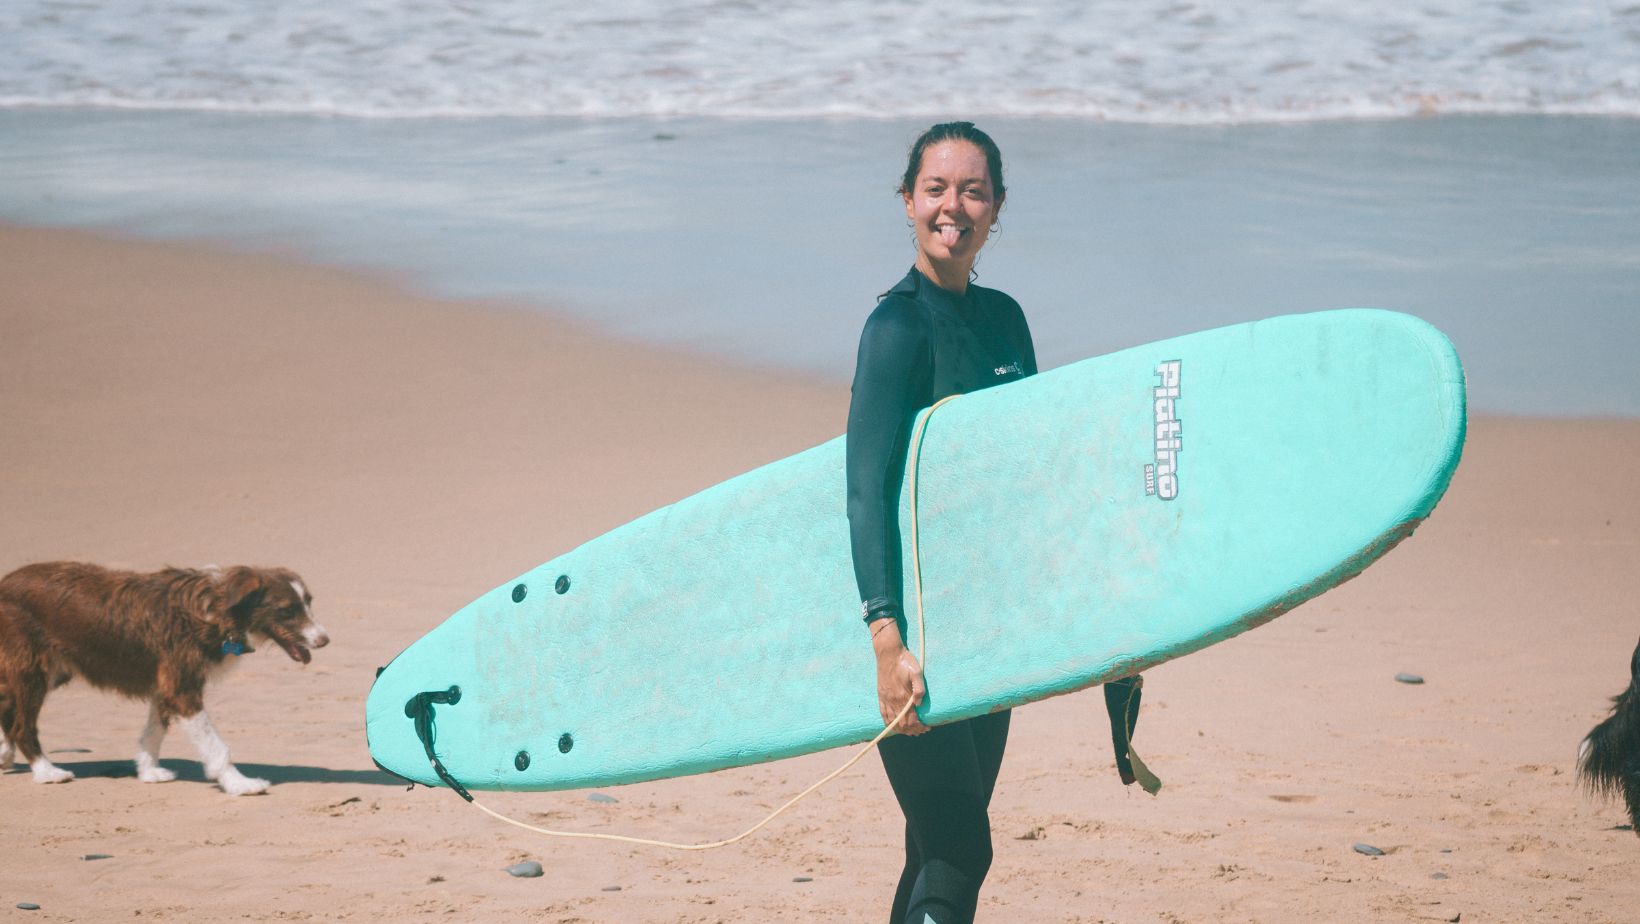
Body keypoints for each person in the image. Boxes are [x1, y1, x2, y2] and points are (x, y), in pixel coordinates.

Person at [846, 121, 1034, 924]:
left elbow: (1024, 480)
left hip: (986, 625)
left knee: (934, 845)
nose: (953, 206)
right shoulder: (895, 329)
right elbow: (864, 492)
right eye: (936, 189)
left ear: (996, 207)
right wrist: (887, 637)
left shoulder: (1006, 322)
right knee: (964, 842)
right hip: (912, 637)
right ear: (907, 202)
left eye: (972, 189)